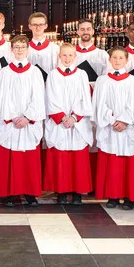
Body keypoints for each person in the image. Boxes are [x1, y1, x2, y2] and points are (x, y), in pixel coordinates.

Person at [0, 35, 45, 206]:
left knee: (29, 159)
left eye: (23, 46)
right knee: (10, 157)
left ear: (28, 49)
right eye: (17, 47)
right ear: (11, 49)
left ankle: (30, 193)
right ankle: (9, 193)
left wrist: (28, 117)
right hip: (12, 122)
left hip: (28, 123)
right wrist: (14, 116)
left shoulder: (35, 72)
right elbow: (1, 97)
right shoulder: (5, 72)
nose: (20, 50)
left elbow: (38, 97)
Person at [93, 46, 134, 209]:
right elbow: (99, 104)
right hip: (110, 127)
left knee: (127, 163)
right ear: (109, 60)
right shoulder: (102, 80)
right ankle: (112, 196)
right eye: (114, 58)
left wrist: (124, 121)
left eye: (121, 58)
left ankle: (129, 197)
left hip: (127, 129)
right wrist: (111, 119)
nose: (117, 61)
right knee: (111, 163)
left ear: (127, 61)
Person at [43, 43, 94, 204]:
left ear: (75, 57)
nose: (67, 58)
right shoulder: (53, 75)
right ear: (59, 56)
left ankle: (78, 192)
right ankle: (62, 192)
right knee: (61, 157)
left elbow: (85, 98)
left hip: (77, 123)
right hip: (60, 122)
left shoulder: (82, 74)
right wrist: (62, 117)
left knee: (78, 159)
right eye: (64, 55)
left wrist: (75, 117)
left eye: (70, 55)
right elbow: (50, 98)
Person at [73, 20, 109, 85]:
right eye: (82, 29)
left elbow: (107, 78)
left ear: (93, 31)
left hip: (96, 91)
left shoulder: (103, 54)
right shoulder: (70, 54)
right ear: (78, 32)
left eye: (88, 29)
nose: (85, 32)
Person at [27, 12, 60, 77]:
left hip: (49, 85)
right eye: (35, 25)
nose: (38, 27)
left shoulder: (55, 48)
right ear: (30, 26)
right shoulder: (25, 48)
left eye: (41, 24)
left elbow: (58, 69)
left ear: (45, 26)